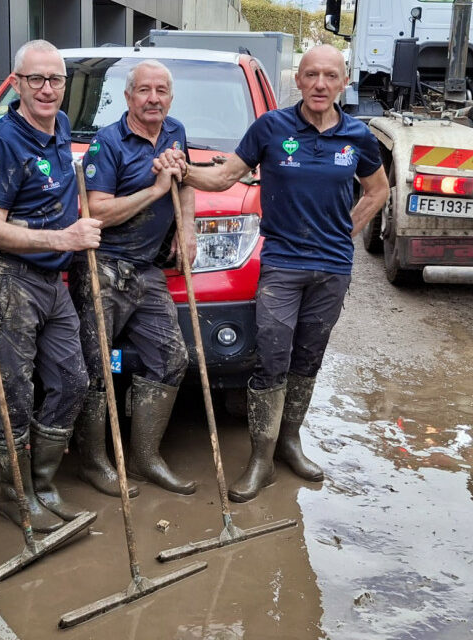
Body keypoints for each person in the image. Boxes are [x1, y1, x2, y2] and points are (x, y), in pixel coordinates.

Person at [156, 45, 390, 503]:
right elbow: (225, 178)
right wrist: (181, 170)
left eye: (330, 76)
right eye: (311, 75)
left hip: (332, 269)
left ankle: (289, 443)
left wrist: (348, 230)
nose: (320, 84)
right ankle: (260, 460)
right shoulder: (271, 128)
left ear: (343, 83)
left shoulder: (358, 137)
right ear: (297, 82)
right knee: (272, 356)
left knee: (308, 359)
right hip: (282, 264)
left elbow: (377, 189)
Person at [0, 40, 102, 533]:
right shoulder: (3, 140)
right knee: (15, 393)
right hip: (10, 278)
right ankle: (15, 496)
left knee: (73, 380)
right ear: (17, 83)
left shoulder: (61, 127)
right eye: (36, 80)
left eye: (56, 80)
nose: (47, 89)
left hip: (53, 279)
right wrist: (65, 236)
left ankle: (43, 485)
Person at [71, 60, 193, 497]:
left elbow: (187, 183)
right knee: (96, 366)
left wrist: (187, 226)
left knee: (172, 357)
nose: (154, 98)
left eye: (162, 90)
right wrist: (156, 190)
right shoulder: (108, 143)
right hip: (104, 267)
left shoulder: (176, 131)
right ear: (128, 97)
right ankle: (94, 462)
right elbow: (96, 209)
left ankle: (145, 459)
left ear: (171, 97)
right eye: (144, 90)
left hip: (149, 270)